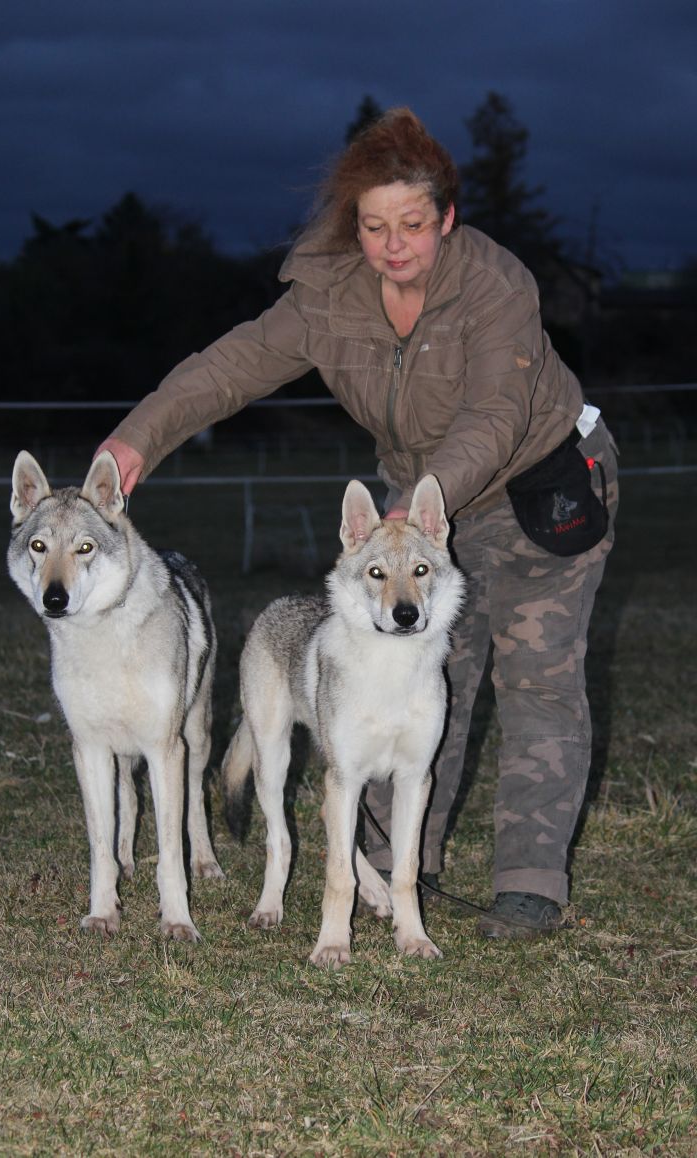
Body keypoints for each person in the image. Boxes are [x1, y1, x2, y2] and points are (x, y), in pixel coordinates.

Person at [97, 107, 619, 939]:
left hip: (534, 486)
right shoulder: (329, 297)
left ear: (446, 219)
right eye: (375, 226)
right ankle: (393, 861)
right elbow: (230, 366)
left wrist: (424, 504)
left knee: (536, 680)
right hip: (413, 516)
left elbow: (493, 413)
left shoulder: (497, 287)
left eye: (413, 224)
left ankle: (529, 882)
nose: (394, 244)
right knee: (404, 676)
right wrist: (138, 437)